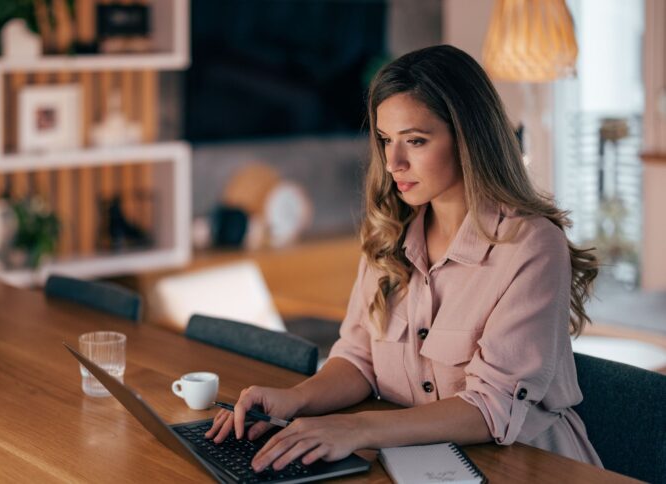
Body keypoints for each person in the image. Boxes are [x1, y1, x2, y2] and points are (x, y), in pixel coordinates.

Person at [206, 44, 603, 473]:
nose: (393, 163)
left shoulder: (530, 246)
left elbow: (490, 407)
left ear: (468, 137)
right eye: (385, 140)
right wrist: (295, 400)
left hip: (528, 465)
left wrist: (357, 429)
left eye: (415, 141)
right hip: (416, 461)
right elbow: (359, 358)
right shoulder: (387, 233)